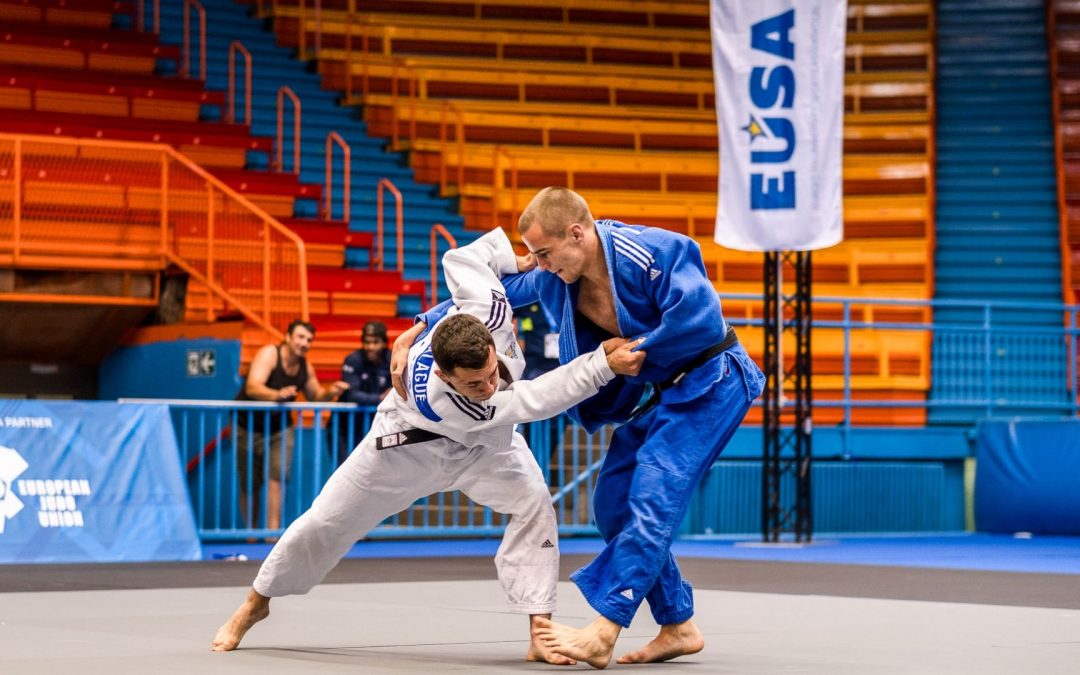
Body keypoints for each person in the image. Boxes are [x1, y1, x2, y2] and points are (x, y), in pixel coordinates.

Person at [211, 227, 647, 664]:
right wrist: (601, 365)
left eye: (492, 373)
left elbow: (463, 259)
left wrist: (516, 262)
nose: (488, 384)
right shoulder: (447, 399)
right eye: (474, 383)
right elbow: (535, 399)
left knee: (535, 504)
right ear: (444, 375)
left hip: (487, 450)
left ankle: (538, 628)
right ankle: (256, 602)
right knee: (325, 521)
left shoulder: (485, 313)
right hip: (406, 448)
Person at [393, 187, 766, 669]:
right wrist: (420, 326)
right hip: (657, 392)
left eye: (544, 252)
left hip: (711, 380)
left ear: (578, 232)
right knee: (612, 503)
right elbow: (490, 298)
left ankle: (606, 626)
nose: (538, 264)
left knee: (654, 488)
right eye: (533, 254)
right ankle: (677, 624)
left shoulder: (653, 250)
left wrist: (638, 348)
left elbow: (700, 318)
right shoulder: (554, 276)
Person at [234, 320, 349, 533]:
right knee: (250, 484)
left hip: (280, 428)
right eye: (300, 337)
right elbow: (252, 387)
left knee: (276, 479)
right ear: (288, 337)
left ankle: (271, 535)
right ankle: (249, 536)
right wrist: (276, 395)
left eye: (309, 340)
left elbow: (316, 397)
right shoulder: (270, 354)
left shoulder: (305, 366)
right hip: (247, 427)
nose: (304, 343)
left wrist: (331, 391)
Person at [335, 320, 392, 464]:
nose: (370, 347)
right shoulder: (353, 360)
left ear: (384, 343)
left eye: (375, 342)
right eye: (367, 342)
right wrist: (380, 398)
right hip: (347, 427)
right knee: (345, 471)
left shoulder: (392, 359)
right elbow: (351, 394)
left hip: (378, 427)